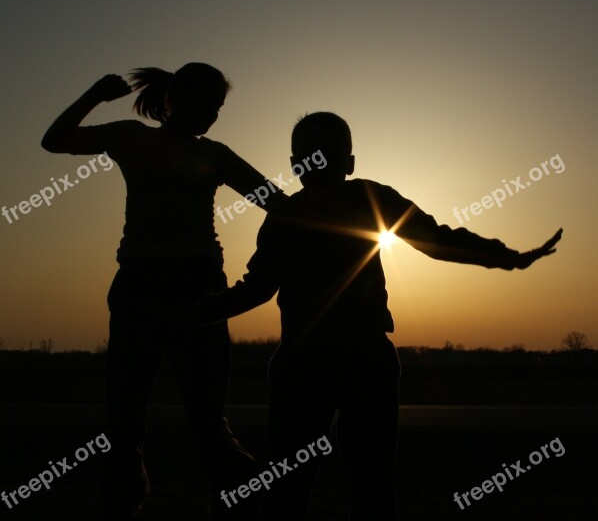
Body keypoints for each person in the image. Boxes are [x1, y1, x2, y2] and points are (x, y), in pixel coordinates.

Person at [187, 111, 562, 521]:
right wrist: (508, 258)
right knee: (366, 484)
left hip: (315, 363)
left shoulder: (291, 214)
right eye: (313, 156)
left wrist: (195, 312)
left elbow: (257, 289)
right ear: (347, 163)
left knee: (301, 487)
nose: (317, 164)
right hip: (352, 361)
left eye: (321, 155)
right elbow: (435, 240)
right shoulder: (351, 201)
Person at [41, 63, 285, 520]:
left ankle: (246, 507)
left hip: (199, 290)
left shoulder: (216, 154)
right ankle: (122, 505)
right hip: (141, 286)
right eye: (204, 103)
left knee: (209, 422)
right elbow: (54, 140)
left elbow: (277, 203)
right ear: (172, 98)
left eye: (217, 108)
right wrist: (94, 92)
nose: (211, 115)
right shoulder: (132, 137)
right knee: (124, 421)